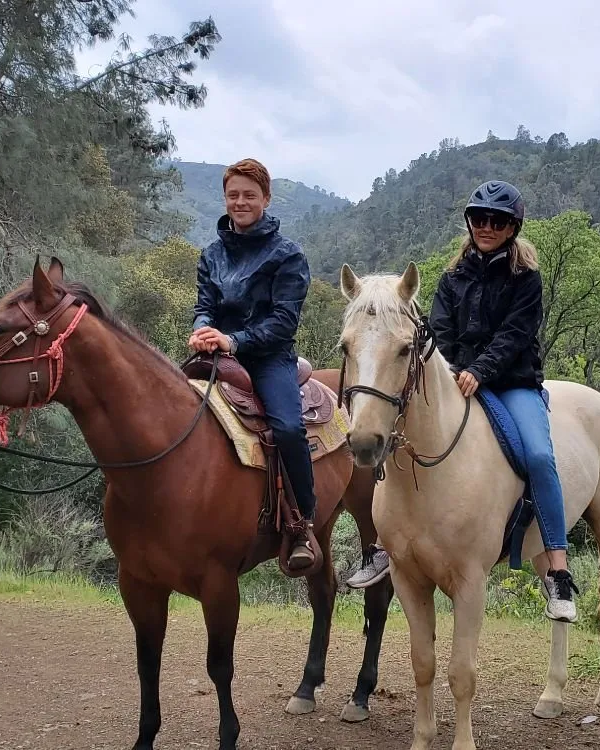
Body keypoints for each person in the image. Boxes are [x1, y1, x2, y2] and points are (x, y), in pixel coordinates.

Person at [345, 180, 578, 623]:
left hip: (511, 383)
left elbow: (516, 335)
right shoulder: (453, 278)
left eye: (498, 221)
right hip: (456, 379)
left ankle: (558, 568)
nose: (487, 227)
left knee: (539, 455)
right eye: (479, 219)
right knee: (396, 431)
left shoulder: (525, 278)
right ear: (469, 223)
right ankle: (382, 544)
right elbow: (440, 330)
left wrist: (480, 370)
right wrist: (450, 370)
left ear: (512, 228)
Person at [188, 158, 317, 570]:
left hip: (268, 357)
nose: (240, 202)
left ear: (266, 198)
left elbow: (283, 321)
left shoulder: (288, 255)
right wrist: (201, 329)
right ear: (224, 199)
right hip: (215, 352)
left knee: (289, 428)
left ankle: (301, 525)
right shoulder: (211, 253)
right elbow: (204, 305)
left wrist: (234, 340)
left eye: (249, 195)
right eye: (233, 195)